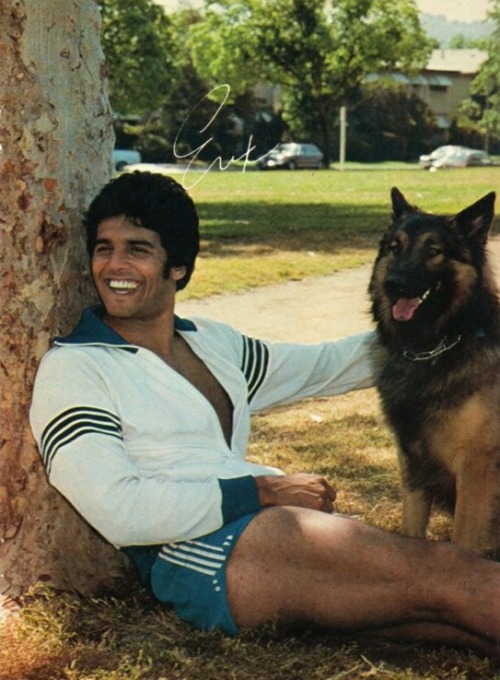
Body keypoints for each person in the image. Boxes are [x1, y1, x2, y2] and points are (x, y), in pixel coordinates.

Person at [30, 171, 500, 659]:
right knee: (447, 571)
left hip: (270, 533)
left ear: (179, 267)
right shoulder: (77, 366)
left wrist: (472, 325)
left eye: (138, 249)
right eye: (104, 247)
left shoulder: (211, 345)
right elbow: (119, 511)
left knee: (451, 619)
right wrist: (265, 489)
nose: (114, 265)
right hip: (207, 555)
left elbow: (326, 366)